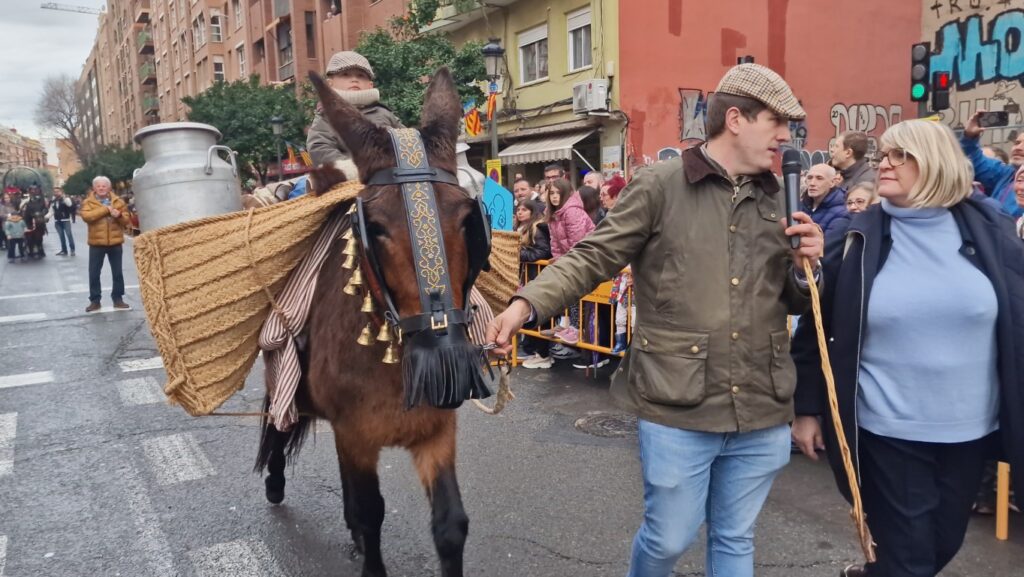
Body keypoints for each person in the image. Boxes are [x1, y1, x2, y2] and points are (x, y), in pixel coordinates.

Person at [486, 63, 822, 577]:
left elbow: (794, 300)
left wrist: (808, 269)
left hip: (761, 401)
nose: (786, 135)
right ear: (735, 118)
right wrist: (524, 304)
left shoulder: (780, 198)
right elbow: (590, 256)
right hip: (677, 403)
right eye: (777, 121)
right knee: (668, 540)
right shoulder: (661, 185)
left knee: (735, 539)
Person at [790, 119, 1024, 577]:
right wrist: (807, 408)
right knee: (910, 558)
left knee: (940, 544)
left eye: (901, 155)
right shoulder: (858, 236)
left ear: (934, 162)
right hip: (887, 430)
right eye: (883, 155)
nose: (885, 164)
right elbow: (815, 325)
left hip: (970, 432)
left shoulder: (990, 230)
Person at [306, 51, 403, 175]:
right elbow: (319, 148)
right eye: (345, 74)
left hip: (393, 173)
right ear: (330, 84)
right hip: (350, 176)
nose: (354, 79)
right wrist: (351, 167)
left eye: (361, 75)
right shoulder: (326, 116)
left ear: (370, 85)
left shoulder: (383, 112)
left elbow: (407, 139)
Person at [544, 178, 595, 347]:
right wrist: (559, 261)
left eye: (558, 193)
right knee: (565, 290)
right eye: (551, 193)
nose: (554, 197)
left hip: (586, 257)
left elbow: (579, 241)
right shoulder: (552, 214)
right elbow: (555, 243)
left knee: (576, 293)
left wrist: (565, 260)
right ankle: (565, 324)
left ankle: (575, 328)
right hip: (569, 259)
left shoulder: (572, 211)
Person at [80, 176, 132, 312]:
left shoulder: (119, 201)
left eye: (104, 186)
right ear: (94, 188)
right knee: (94, 273)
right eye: (98, 186)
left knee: (117, 272)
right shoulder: (88, 202)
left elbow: (127, 220)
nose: (101, 188)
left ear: (109, 188)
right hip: (96, 243)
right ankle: (95, 300)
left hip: (115, 242)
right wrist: (106, 209)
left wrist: (119, 215)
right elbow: (87, 217)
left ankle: (118, 299)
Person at [959, 109, 1024, 217]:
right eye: (1017, 143)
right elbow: (973, 162)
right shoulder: (1005, 174)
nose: (1018, 148)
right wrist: (970, 136)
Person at [515, 199, 554, 369]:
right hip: (527, 277)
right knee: (529, 315)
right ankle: (533, 350)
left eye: (524, 209)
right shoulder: (521, 228)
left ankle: (543, 354)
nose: (520, 212)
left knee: (539, 314)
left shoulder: (536, 227)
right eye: (518, 209)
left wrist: (521, 254)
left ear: (532, 211)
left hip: (537, 276)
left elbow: (543, 251)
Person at [802, 163, 850, 238]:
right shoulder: (801, 205)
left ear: (832, 182)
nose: (812, 183)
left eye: (819, 178)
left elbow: (828, 247)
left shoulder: (842, 213)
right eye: (810, 178)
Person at [51, 186, 76, 256]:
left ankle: (72, 250)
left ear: (61, 192)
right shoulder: (53, 201)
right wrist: (45, 217)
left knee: (69, 235)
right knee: (61, 236)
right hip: (57, 221)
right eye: (55, 192)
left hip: (66, 220)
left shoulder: (65, 199)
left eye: (57, 191)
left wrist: (63, 197)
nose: (56, 193)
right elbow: (51, 211)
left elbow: (69, 204)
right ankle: (64, 250)